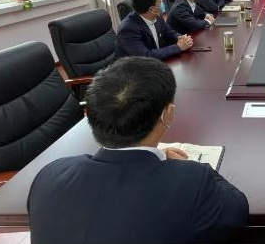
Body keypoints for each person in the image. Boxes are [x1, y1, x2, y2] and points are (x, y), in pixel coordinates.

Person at [28, 57, 249, 244]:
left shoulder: (49, 175)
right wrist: (193, 170)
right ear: (168, 114)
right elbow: (237, 211)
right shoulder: (192, 182)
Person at [115, 0, 193, 60]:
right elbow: (145, 56)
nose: (163, 5)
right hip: (134, 67)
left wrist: (181, 38)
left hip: (155, 61)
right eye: (160, 2)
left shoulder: (157, 17)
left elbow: (169, 33)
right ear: (152, 9)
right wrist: (178, 47)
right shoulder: (128, 29)